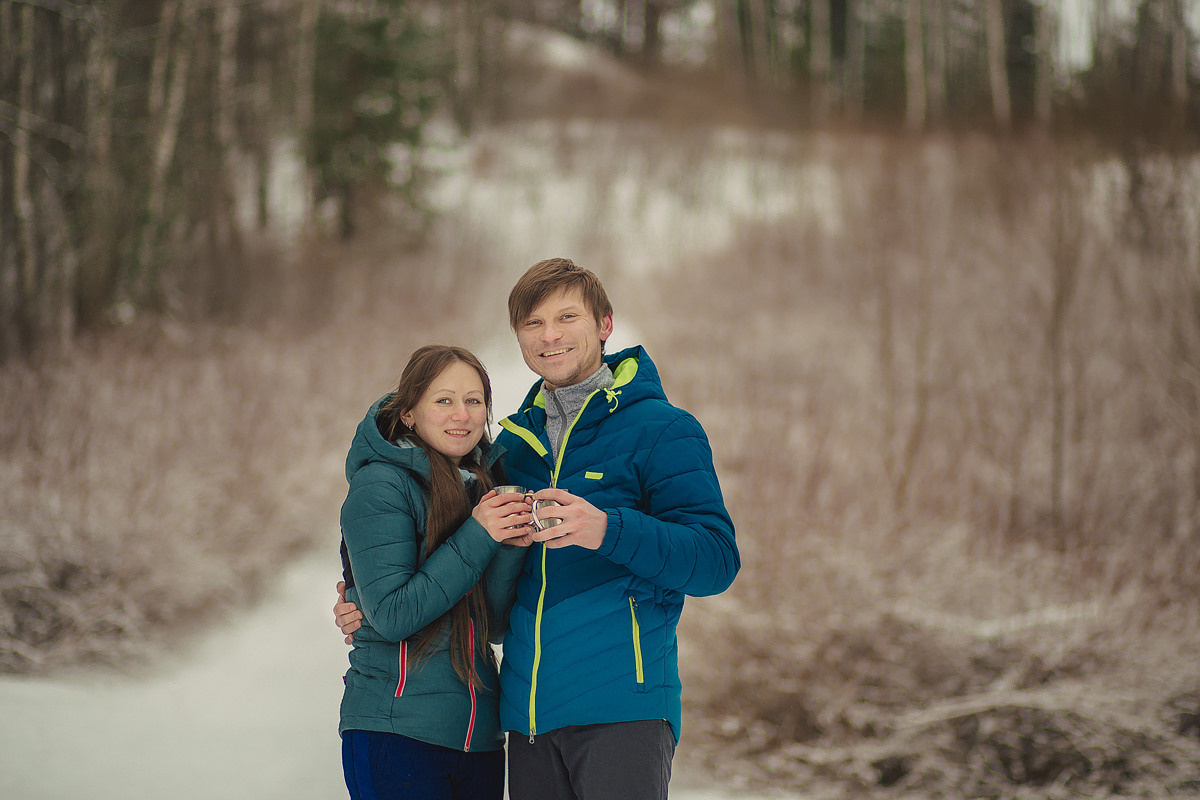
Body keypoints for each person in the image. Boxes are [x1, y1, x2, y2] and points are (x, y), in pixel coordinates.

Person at [336, 259, 740, 800]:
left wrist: (607, 528)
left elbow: (716, 561)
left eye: (567, 317)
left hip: (622, 708)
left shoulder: (663, 429)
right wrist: (361, 599)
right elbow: (459, 578)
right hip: (526, 721)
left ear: (605, 324)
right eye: (533, 323)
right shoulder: (511, 451)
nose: (550, 336)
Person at [337, 344, 534, 800]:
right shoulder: (380, 485)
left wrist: (507, 547)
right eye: (443, 400)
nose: (461, 414)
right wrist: (480, 534)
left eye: (474, 400)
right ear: (408, 413)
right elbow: (393, 615)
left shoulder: (481, 484)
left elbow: (493, 625)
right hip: (399, 733)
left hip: (479, 741)